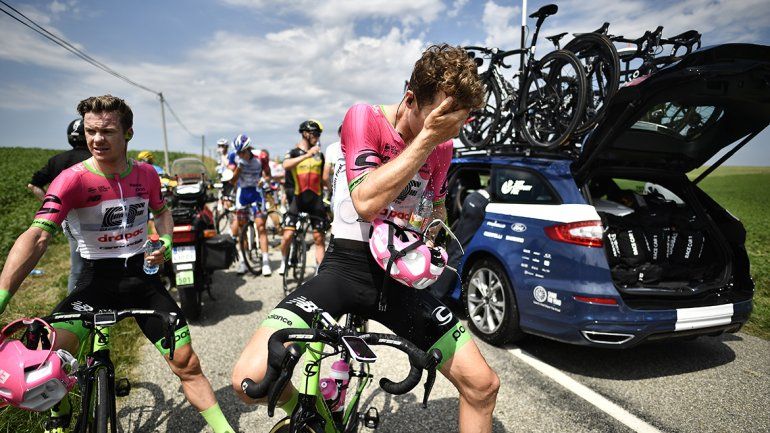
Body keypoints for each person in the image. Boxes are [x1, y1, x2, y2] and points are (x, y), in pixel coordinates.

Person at [232, 44, 499, 433]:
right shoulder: (365, 118)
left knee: (483, 385)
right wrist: (427, 139)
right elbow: (364, 202)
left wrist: (434, 232)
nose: (451, 130)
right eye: (443, 118)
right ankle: (316, 411)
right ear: (410, 99)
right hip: (347, 270)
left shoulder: (444, 147)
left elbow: (436, 209)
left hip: (398, 278)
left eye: (459, 121)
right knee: (250, 380)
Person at [0, 95, 234, 433]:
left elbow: (163, 213)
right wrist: (3, 297)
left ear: (128, 133)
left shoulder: (147, 175)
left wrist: (165, 242)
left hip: (142, 281)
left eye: (107, 131)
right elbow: (37, 237)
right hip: (95, 282)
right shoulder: (71, 179)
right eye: (90, 131)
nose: (96, 139)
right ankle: (59, 411)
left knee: (187, 364)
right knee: (43, 360)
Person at [27, 118, 92, 295]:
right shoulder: (97, 159)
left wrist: (52, 203)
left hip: (70, 220)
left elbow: (33, 185)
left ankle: (73, 308)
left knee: (77, 268)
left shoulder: (57, 160)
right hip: (100, 218)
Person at [277, 119, 328, 275]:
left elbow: (323, 178)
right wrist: (307, 156)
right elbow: (285, 165)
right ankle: (284, 260)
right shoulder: (293, 152)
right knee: (287, 236)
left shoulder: (320, 155)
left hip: (315, 200)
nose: (317, 137)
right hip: (298, 199)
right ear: (305, 134)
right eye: (315, 134)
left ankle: (321, 274)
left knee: (319, 239)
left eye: (319, 135)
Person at [228, 134, 273, 276]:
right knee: (242, 230)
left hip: (257, 194)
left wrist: (264, 181)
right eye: (238, 152)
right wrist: (239, 168)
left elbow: (268, 175)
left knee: (261, 226)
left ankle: (265, 262)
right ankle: (243, 261)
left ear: (248, 149)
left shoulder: (261, 157)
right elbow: (232, 182)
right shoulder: (233, 157)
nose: (240, 155)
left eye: (243, 152)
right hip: (242, 195)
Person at [322, 124, 342, 202]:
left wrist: (332, 191)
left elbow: (325, 176)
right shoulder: (358, 147)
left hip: (337, 193)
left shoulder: (331, 148)